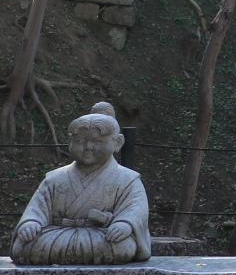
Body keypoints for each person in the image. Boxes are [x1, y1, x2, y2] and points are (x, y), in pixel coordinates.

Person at [10, 101, 151, 265]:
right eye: (80, 141)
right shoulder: (55, 178)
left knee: (122, 245)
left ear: (117, 142)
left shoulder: (127, 179)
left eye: (97, 141)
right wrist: (31, 223)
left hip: (102, 237)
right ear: (70, 142)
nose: (88, 147)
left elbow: (136, 209)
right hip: (58, 234)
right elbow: (37, 208)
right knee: (23, 244)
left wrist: (124, 224)